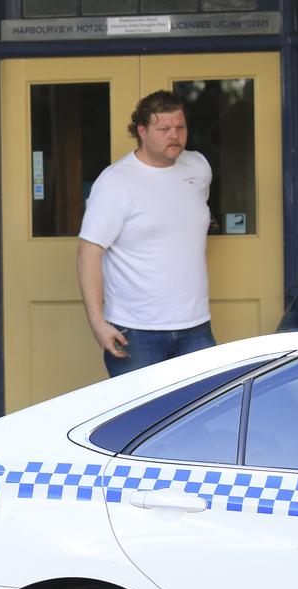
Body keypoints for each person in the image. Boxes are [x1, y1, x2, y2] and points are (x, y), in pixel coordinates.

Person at [76, 89, 215, 377]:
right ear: (142, 131)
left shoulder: (199, 168)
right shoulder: (116, 182)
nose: (174, 135)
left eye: (180, 127)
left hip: (196, 326)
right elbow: (89, 253)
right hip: (137, 333)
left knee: (199, 417)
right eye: (164, 129)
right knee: (143, 421)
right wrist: (97, 322)